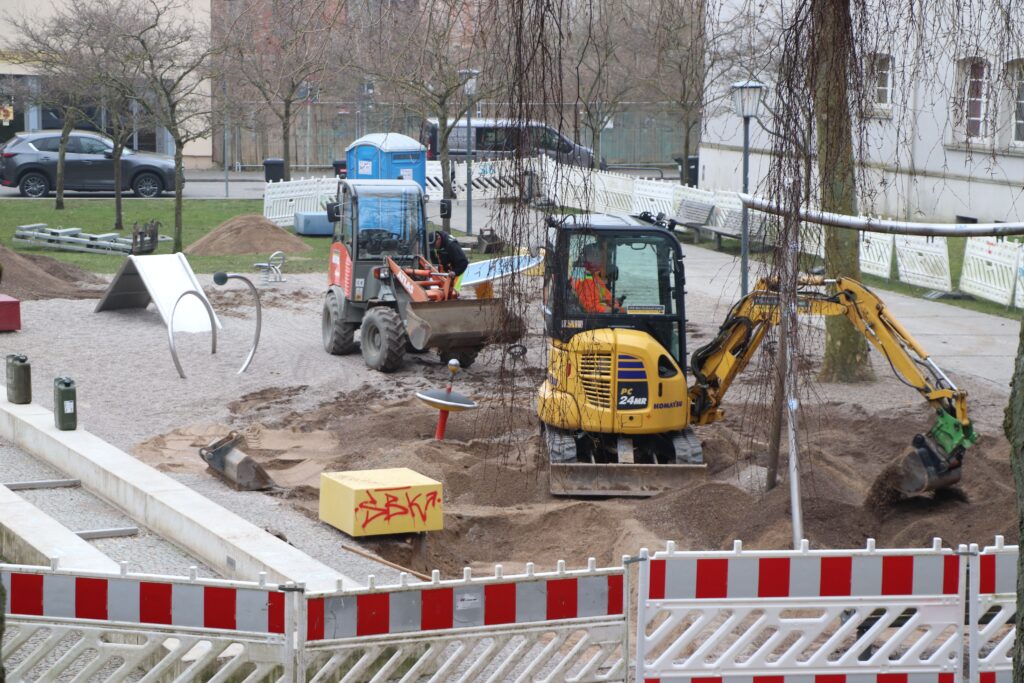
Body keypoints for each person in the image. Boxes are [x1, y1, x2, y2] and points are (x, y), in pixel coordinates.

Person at [571, 243, 622, 313]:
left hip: (602, 316)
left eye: (599, 256)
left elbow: (607, 296)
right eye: (596, 256)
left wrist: (617, 304)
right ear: (585, 258)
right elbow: (590, 307)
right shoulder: (581, 276)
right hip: (592, 320)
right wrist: (611, 310)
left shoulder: (594, 277)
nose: (599, 260)